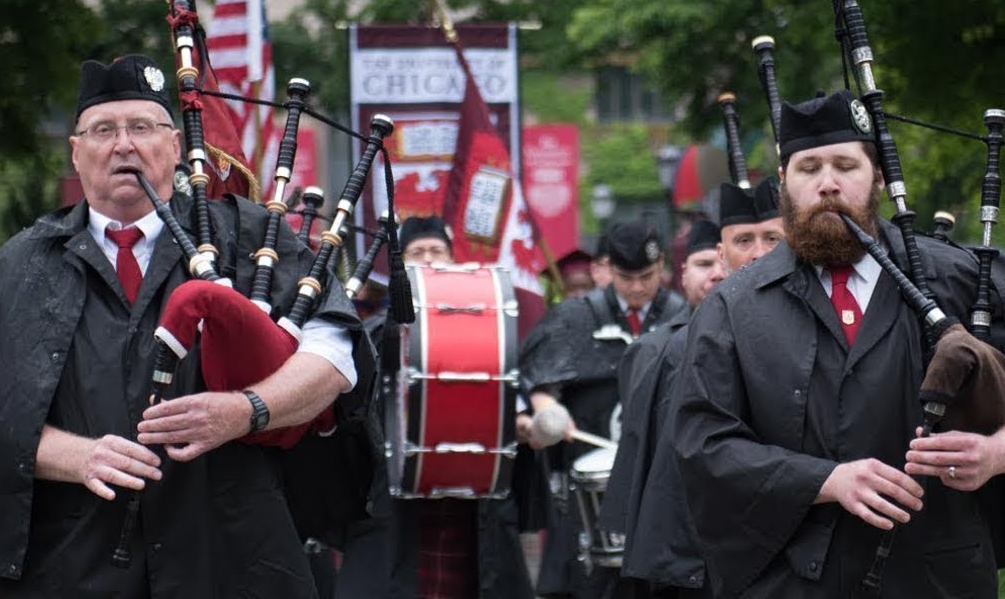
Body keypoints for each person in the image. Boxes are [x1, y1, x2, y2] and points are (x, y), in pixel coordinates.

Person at [0, 54, 369, 597]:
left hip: (233, 559)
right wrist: (79, 457)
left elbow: (335, 354)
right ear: (76, 152)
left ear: (174, 147)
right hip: (74, 564)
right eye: (103, 130)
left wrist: (246, 410)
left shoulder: (249, 239)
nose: (124, 144)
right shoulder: (21, 266)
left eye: (142, 127)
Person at [674, 89, 1005, 598]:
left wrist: (996, 451)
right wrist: (824, 481)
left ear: (875, 175)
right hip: (792, 579)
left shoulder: (958, 277)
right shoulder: (733, 306)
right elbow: (703, 443)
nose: (828, 184)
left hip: (939, 576)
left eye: (845, 165)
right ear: (783, 181)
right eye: (809, 168)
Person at [333, 214, 537, 599]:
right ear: (399, 265)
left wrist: (524, 422)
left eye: (437, 251)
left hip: (472, 503)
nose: (429, 260)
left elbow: (509, 390)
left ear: (453, 259)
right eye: (417, 253)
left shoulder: (485, 328)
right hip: (396, 506)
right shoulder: (375, 333)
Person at [604, 179, 787, 598]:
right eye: (745, 239)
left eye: (772, 238)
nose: (759, 252)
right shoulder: (684, 347)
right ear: (723, 256)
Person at [519, 220, 687, 599]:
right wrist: (546, 411)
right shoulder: (575, 317)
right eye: (627, 277)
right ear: (609, 270)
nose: (638, 287)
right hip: (587, 476)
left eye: (647, 275)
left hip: (664, 476)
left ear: (661, 265)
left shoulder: (685, 316)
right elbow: (537, 381)